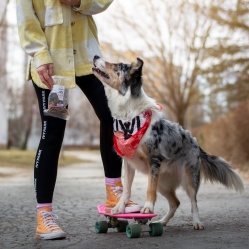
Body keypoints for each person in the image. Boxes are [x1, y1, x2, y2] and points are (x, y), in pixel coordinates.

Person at [16, 0, 140, 240]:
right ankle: (45, 216)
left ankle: (114, 191)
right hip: (52, 63)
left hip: (87, 57)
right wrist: (40, 55)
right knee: (52, 134)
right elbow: (26, 18)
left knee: (112, 116)